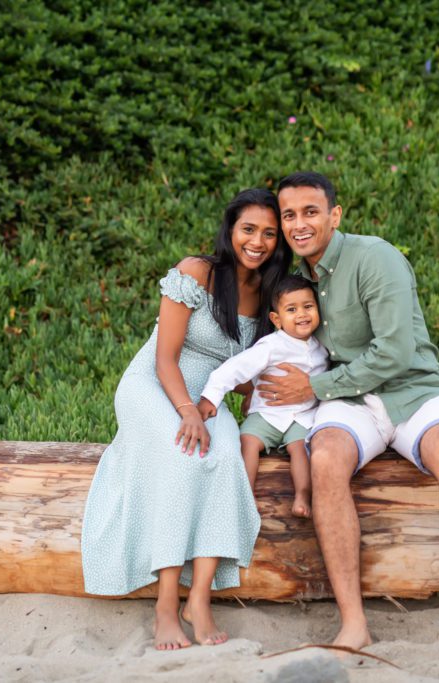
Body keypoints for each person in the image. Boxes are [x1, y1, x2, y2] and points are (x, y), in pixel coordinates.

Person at [257, 171, 439, 661]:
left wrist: (314, 387)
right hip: (351, 401)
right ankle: (354, 624)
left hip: (412, 388)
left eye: (310, 212)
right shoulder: (299, 274)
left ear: (334, 215)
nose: (299, 224)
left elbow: (394, 352)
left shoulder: (376, 258)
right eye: (289, 215)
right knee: (325, 458)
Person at [81, 188, 292, 651]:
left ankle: (198, 600)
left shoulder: (271, 293)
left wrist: (279, 402)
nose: (257, 241)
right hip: (157, 387)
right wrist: (186, 411)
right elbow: (165, 358)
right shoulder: (195, 273)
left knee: (225, 458)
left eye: (269, 234)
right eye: (248, 229)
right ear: (230, 230)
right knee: (186, 456)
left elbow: (241, 372)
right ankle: (163, 606)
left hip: (209, 398)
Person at [196, 275, 328, 518]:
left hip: (302, 415)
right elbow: (234, 369)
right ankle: (244, 496)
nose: (302, 314)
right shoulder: (271, 346)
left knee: (301, 449)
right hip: (267, 413)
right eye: (292, 309)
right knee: (248, 442)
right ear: (276, 319)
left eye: (308, 307)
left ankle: (303, 495)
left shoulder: (322, 347)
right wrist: (210, 397)